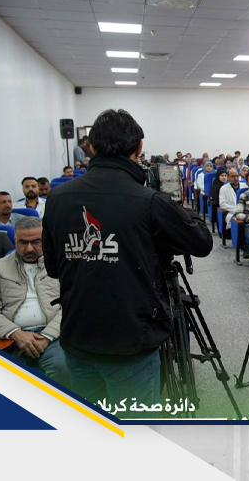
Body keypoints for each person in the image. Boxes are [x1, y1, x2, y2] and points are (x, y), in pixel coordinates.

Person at [42, 109, 212, 415]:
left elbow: (54, 268)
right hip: (130, 344)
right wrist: (178, 209)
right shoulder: (150, 201)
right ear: (139, 147)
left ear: (91, 147)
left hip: (78, 336)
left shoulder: (57, 198)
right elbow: (202, 242)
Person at [0, 217, 70, 387]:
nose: (29, 249)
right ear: (15, 240)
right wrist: (16, 333)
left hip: (55, 335)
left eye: (36, 242)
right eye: (22, 242)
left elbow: (71, 305)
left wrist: (46, 336)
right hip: (11, 336)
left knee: (62, 368)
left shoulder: (61, 263)